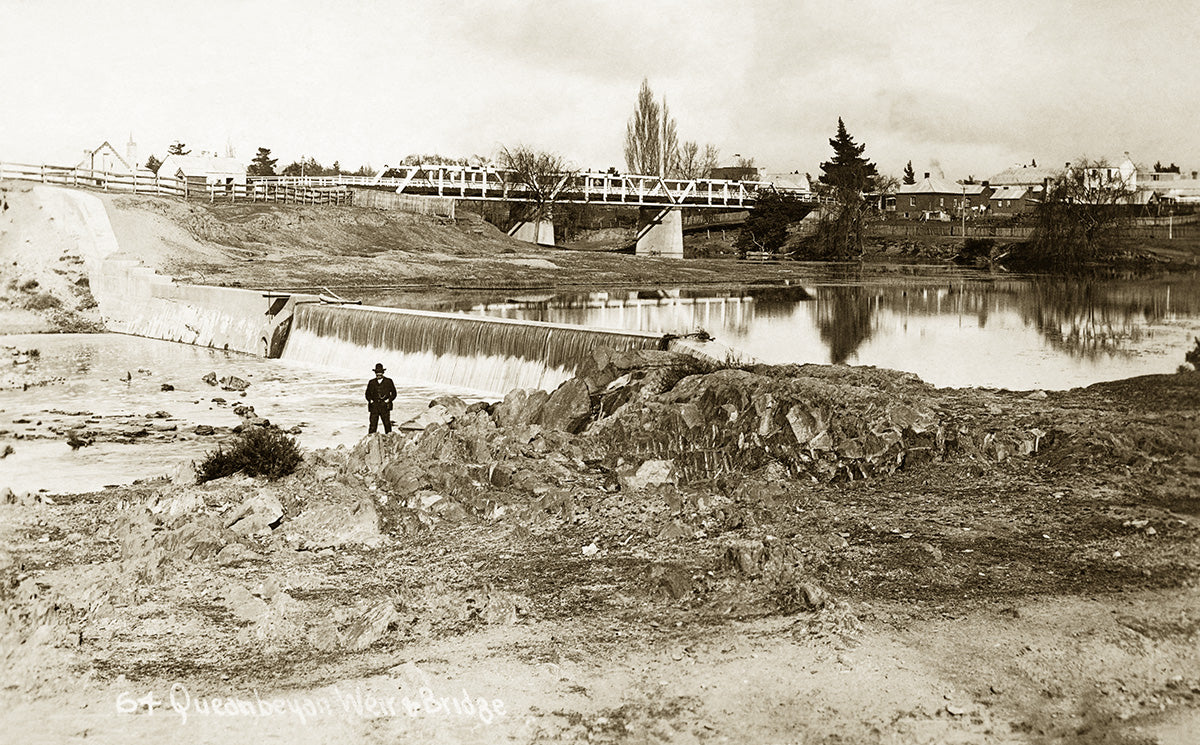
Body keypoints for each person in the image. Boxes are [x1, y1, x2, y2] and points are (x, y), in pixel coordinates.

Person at [365, 363, 396, 434]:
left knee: (387, 424)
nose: (379, 375)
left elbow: (394, 393)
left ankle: (389, 439)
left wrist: (389, 400)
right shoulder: (371, 382)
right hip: (374, 407)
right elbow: (367, 394)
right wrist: (370, 400)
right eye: (377, 373)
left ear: (383, 373)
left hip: (385, 406)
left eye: (380, 373)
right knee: (372, 425)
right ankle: (370, 440)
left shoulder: (389, 381)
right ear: (375, 373)